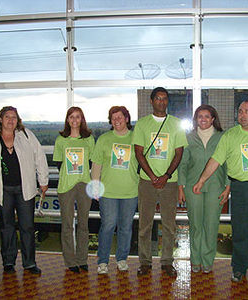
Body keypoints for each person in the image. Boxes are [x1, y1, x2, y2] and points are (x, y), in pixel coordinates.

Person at [193, 100, 248, 282]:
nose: (242, 115)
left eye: (247, 111)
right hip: (240, 187)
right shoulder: (230, 136)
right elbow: (215, 160)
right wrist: (201, 180)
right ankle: (239, 268)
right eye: (240, 111)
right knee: (240, 230)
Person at [132, 87, 188, 277]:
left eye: (164, 99)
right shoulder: (142, 124)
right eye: (158, 98)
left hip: (170, 182)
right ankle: (145, 262)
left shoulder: (176, 124)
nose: (161, 102)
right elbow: (138, 153)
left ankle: (166, 262)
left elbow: (179, 153)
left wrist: (165, 175)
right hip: (147, 182)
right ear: (151, 101)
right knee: (145, 224)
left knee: (169, 224)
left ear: (167, 102)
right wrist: (153, 176)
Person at [0, 106, 48, 275]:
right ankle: (8, 262)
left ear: (18, 120)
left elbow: (40, 156)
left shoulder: (26, 135)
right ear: (0, 119)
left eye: (14, 117)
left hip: (24, 189)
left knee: (27, 226)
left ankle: (29, 263)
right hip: (3, 190)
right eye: (7, 117)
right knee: (6, 227)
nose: (11, 120)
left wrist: (43, 180)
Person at [177, 105, 230, 274]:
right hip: (193, 187)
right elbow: (183, 164)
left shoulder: (223, 137)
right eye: (200, 116)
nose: (203, 119)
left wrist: (228, 186)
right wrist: (180, 187)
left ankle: (207, 261)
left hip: (216, 186)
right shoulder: (189, 138)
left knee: (211, 225)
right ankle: (196, 260)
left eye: (207, 116)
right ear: (195, 119)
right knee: (196, 225)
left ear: (213, 119)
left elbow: (228, 163)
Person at [90, 106, 139, 274]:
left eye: (120, 117)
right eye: (113, 118)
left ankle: (122, 258)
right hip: (108, 192)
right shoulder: (104, 139)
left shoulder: (136, 138)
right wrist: (95, 186)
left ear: (127, 118)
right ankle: (103, 261)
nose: (117, 120)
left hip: (130, 191)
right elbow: (96, 164)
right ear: (110, 121)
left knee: (126, 227)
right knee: (108, 225)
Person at [53, 107, 95, 273]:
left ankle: (82, 259)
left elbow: (92, 162)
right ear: (67, 120)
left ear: (82, 119)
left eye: (78, 117)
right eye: (71, 117)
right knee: (67, 225)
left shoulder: (89, 139)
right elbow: (58, 163)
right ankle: (70, 261)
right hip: (66, 186)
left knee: (84, 225)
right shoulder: (61, 140)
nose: (75, 120)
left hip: (84, 184)